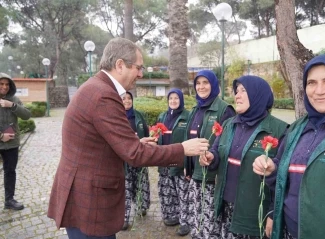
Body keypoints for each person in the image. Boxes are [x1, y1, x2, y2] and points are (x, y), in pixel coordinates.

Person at [47, 37, 209, 239]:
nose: (141, 73)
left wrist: (135, 143)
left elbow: (102, 142)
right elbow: (135, 155)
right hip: (90, 202)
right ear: (120, 65)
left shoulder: (95, 87)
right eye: (138, 67)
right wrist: (182, 149)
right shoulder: (104, 96)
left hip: (81, 195)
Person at [253, 54, 325, 239]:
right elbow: (284, 180)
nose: (319, 90)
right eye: (311, 82)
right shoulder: (297, 128)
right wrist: (271, 169)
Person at [199, 75, 288, 239]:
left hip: (253, 214)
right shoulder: (229, 124)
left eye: (243, 90)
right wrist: (211, 157)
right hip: (226, 206)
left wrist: (272, 212)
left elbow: (284, 178)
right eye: (236, 91)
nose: (237, 95)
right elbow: (217, 151)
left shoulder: (280, 130)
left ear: (257, 94)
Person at [185, 70, 236, 239]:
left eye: (205, 83)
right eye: (198, 83)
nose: (201, 87)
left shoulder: (225, 110)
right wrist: (187, 166)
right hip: (196, 175)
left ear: (214, 85)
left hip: (213, 176)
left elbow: (227, 142)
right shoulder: (196, 109)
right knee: (196, 215)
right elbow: (188, 139)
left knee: (211, 222)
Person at [156, 88, 190, 236]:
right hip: (164, 160)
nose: (173, 101)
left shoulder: (187, 116)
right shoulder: (162, 116)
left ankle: (185, 222)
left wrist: (188, 163)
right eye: (171, 98)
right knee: (167, 191)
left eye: (176, 98)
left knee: (183, 192)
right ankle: (171, 215)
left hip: (179, 162)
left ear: (181, 100)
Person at [0, 73, 31, 211]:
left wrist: (12, 105)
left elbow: (27, 115)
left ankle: (9, 200)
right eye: (1, 84)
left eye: (7, 84)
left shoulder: (14, 99)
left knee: (10, 171)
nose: (4, 87)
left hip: (12, 144)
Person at [122, 91, 150, 230]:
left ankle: (141, 206)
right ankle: (124, 218)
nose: (127, 101)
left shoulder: (138, 115)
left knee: (141, 183)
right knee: (125, 188)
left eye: (129, 98)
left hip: (139, 158)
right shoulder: (117, 116)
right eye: (123, 98)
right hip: (124, 160)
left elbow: (146, 132)